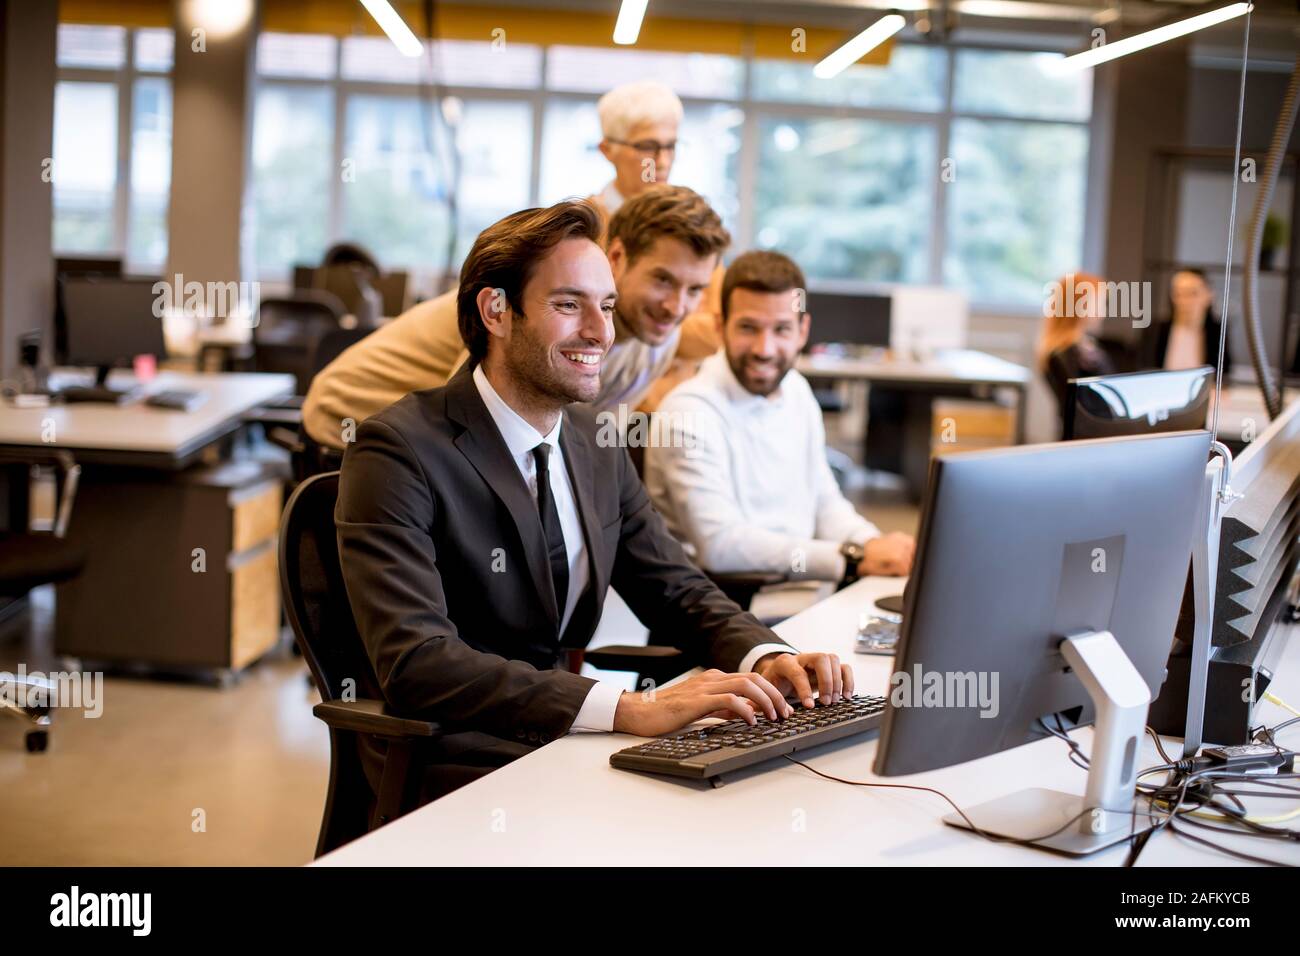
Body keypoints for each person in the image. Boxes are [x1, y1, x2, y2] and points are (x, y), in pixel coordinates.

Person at [335, 200, 853, 803]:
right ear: (496, 311)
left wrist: (765, 655)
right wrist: (631, 708)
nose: (601, 332)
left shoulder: (596, 443)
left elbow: (676, 587)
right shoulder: (398, 449)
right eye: (567, 305)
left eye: (605, 306)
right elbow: (420, 662)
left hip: (565, 740)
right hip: (459, 754)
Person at [302, 185, 728, 449]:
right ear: (616, 256)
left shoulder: (658, 341)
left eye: (695, 290)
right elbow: (475, 431)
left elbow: (583, 444)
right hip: (348, 426)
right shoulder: (531, 319)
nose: (677, 307)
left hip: (428, 443)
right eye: (663, 281)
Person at [644, 250, 914, 617]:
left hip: (806, 598)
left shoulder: (797, 391)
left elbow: (825, 505)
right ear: (720, 327)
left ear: (803, 330)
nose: (764, 349)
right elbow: (720, 545)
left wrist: (878, 546)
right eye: (748, 328)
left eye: (781, 329)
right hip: (725, 614)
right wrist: (852, 558)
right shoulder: (689, 411)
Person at [1038, 272, 1115, 433]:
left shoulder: (1086, 347)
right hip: (1083, 437)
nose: (1102, 311)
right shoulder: (1064, 355)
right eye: (1099, 303)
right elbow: (1083, 407)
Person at [1145, 267, 1231, 375]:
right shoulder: (1157, 330)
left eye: (1192, 293)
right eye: (1178, 294)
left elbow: (1224, 374)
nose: (1184, 301)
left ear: (1209, 295)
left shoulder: (1217, 332)